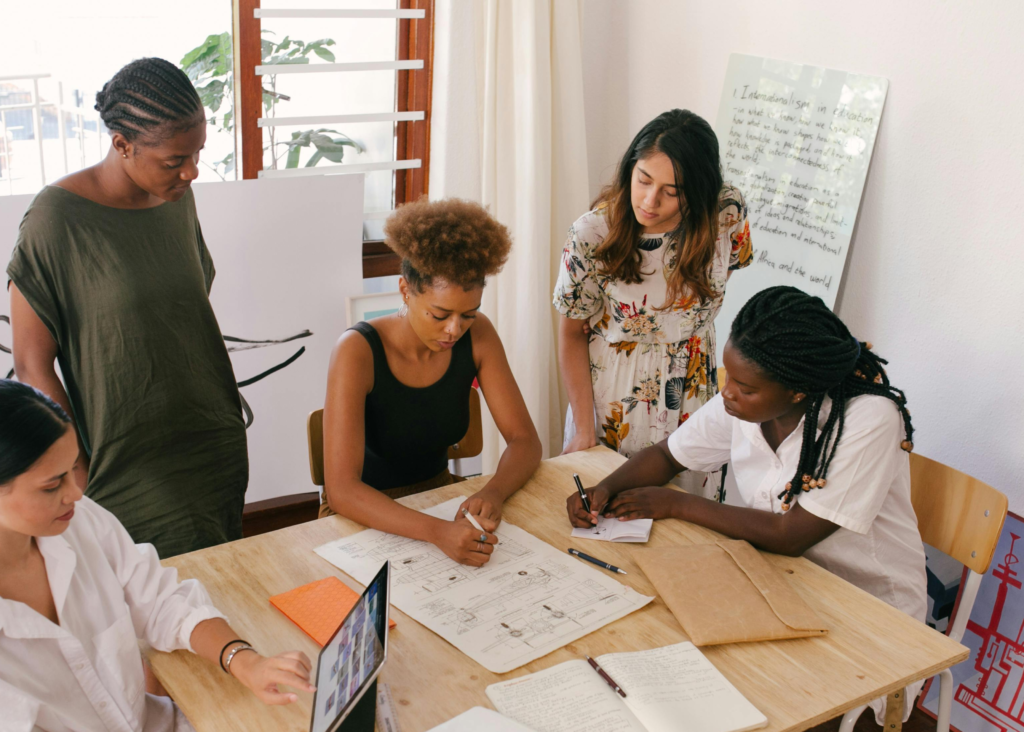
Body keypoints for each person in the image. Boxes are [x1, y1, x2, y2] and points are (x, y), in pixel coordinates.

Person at [566, 285, 925, 722]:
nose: (728, 392)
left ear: (797, 391)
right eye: (728, 377)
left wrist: (675, 505)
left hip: (867, 608)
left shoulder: (867, 420)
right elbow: (666, 456)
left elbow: (790, 534)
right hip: (780, 581)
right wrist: (603, 490)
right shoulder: (744, 404)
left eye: (744, 387)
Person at [7, 58, 248, 557]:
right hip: (125, 458)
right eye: (174, 160)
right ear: (122, 144)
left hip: (211, 438)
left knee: (220, 586)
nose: (191, 171)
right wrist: (74, 466)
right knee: (150, 603)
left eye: (198, 153)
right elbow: (32, 363)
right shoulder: (56, 220)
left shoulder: (177, 197)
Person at [0, 380, 312, 732]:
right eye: (52, 485)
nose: (76, 493)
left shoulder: (80, 521)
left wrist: (243, 660)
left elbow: (161, 600)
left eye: (73, 470)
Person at [321, 198, 542, 567]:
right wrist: (437, 532)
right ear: (406, 290)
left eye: (468, 315)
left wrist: (494, 492)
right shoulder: (357, 350)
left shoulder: (479, 336)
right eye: (440, 315)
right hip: (362, 514)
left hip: (439, 498)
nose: (454, 330)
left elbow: (525, 441)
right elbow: (343, 491)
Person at [554, 109, 752, 498]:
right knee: (608, 514)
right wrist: (583, 428)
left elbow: (718, 282)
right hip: (616, 397)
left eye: (672, 191)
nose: (649, 200)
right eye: (643, 179)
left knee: (689, 523)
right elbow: (570, 333)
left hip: (695, 392)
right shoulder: (593, 233)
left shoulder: (726, 212)